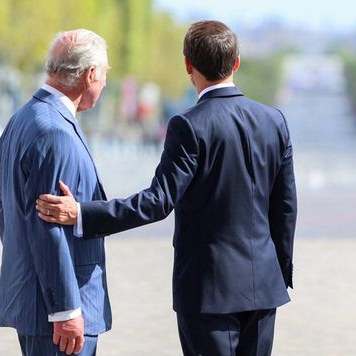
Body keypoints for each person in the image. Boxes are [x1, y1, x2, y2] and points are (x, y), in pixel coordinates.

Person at [38, 20, 297, 356]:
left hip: (207, 289)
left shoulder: (189, 125)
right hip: (264, 285)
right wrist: (279, 268)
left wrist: (82, 215)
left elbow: (157, 202)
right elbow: (285, 206)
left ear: (188, 66)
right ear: (236, 63)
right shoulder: (274, 121)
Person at [0, 29, 112, 356]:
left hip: (32, 300)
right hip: (57, 316)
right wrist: (65, 309)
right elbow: (47, 226)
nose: (103, 83)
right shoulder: (55, 131)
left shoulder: (23, 119)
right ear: (90, 75)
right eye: (104, 75)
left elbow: (7, 213)